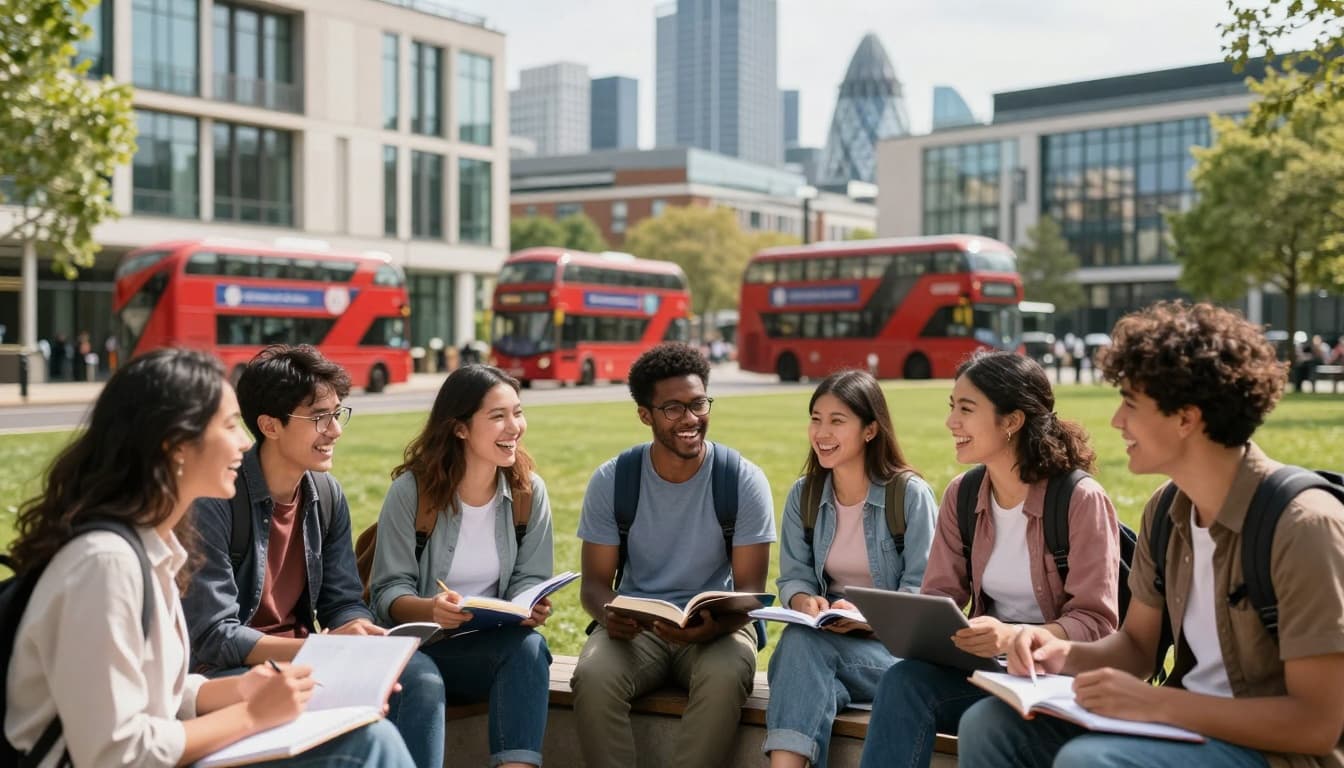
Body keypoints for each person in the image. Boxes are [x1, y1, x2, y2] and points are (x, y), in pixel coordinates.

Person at [958, 301, 1344, 768]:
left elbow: (1317, 724)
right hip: (1180, 726)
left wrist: (1155, 704)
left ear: (1186, 418)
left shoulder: (1303, 526)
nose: (1117, 420)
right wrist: (1058, 651)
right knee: (990, 726)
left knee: (1091, 761)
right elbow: (1138, 649)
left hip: (1271, 753)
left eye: (1131, 404)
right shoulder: (1166, 511)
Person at [5, 348, 414, 767]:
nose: (243, 440)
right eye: (229, 424)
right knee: (368, 744)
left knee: (376, 727)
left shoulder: (152, 548)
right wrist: (252, 713)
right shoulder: (106, 565)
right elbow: (115, 752)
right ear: (176, 446)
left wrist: (244, 690)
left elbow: (158, 694)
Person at [181, 345, 445, 768]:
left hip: (308, 658)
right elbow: (214, 636)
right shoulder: (216, 500)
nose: (335, 430)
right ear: (269, 425)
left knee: (421, 678)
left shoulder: (325, 495)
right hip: (230, 676)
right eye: (319, 417)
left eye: (338, 414)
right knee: (367, 736)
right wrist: (320, 649)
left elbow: (341, 601)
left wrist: (359, 632)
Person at [859, 350, 1122, 768]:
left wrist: (1013, 635)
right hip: (994, 676)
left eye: (966, 409)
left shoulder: (1079, 499)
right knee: (903, 680)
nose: (951, 423)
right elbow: (937, 599)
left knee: (986, 718)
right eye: (952, 408)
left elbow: (1097, 624)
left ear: (1012, 421)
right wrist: (925, 625)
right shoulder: (963, 495)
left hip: (1060, 685)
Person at [570, 342, 777, 768]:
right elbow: (594, 585)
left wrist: (712, 627)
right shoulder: (613, 480)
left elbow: (751, 594)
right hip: (637, 630)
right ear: (645, 414)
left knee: (725, 677)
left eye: (699, 403)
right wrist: (609, 613)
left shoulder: (742, 480)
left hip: (716, 629)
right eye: (673, 409)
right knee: (591, 677)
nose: (691, 419)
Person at [369, 364, 555, 768]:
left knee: (530, 649)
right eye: (498, 417)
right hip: (415, 648)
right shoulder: (411, 492)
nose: (514, 427)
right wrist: (432, 609)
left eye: (517, 412)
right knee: (423, 680)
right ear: (460, 429)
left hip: (479, 650)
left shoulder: (528, 492)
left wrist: (531, 607)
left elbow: (530, 578)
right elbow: (387, 592)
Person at [764, 369, 939, 768]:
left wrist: (865, 618)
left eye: (837, 421)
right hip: (825, 642)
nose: (822, 432)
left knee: (799, 651)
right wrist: (805, 600)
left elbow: (924, 593)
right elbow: (794, 575)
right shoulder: (804, 495)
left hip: (894, 657)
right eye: (816, 419)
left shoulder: (909, 496)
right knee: (802, 645)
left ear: (870, 430)